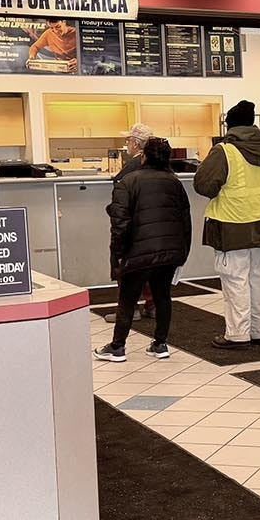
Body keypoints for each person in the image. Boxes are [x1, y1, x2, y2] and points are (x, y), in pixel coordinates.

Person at [194, 100, 260, 348]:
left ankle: (237, 334)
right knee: (255, 279)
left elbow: (204, 184)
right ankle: (256, 330)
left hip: (232, 223)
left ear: (229, 125)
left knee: (234, 280)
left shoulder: (225, 150)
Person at [97, 138, 192, 362]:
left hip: (137, 251)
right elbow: (185, 221)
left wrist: (118, 253)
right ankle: (160, 344)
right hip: (168, 251)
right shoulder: (175, 182)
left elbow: (119, 222)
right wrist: (182, 253)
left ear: (144, 156)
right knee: (163, 297)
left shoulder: (128, 181)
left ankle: (117, 347)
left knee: (128, 299)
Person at [117, 123, 158, 319]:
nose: (126, 143)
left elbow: (120, 189)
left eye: (128, 140)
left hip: (134, 223)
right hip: (153, 224)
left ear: (135, 143)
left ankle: (130, 309)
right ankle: (152, 305)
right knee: (150, 268)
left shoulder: (133, 165)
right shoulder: (158, 163)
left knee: (128, 267)